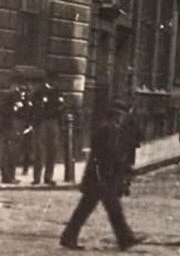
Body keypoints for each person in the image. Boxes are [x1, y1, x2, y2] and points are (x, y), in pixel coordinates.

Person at [59, 99, 141, 251]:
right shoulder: (110, 129)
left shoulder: (107, 127)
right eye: (121, 114)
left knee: (98, 208)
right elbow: (111, 153)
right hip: (102, 176)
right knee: (105, 209)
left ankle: (125, 238)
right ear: (117, 115)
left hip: (99, 175)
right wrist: (125, 167)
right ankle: (125, 239)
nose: (122, 117)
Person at [31, 75, 66, 185]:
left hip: (54, 122)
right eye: (53, 80)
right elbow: (36, 106)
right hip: (42, 122)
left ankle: (48, 177)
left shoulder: (57, 92)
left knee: (52, 150)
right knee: (40, 151)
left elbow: (62, 106)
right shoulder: (39, 92)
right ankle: (37, 177)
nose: (54, 82)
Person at [0, 79, 31, 184]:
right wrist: (15, 108)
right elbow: (4, 112)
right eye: (22, 89)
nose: (23, 92)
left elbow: (25, 112)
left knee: (14, 153)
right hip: (10, 128)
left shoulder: (23, 97)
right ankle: (7, 176)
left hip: (17, 127)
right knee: (9, 152)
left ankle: (10, 176)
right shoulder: (10, 97)